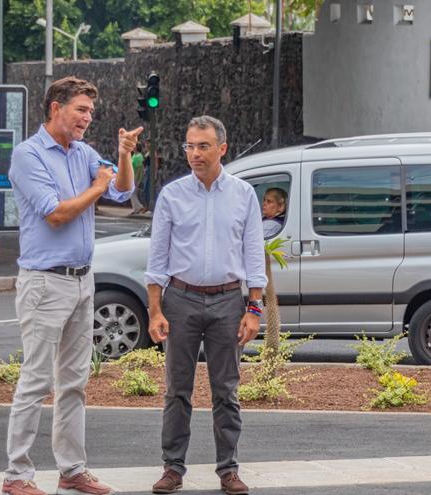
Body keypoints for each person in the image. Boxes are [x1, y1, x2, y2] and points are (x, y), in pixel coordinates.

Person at [3, 76, 141, 495]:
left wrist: (122, 155)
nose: (87, 118)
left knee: (75, 382)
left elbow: (122, 190)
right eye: (80, 110)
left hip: (83, 282)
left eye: (90, 113)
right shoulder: (28, 156)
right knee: (36, 381)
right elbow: (57, 214)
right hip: (45, 283)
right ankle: (17, 476)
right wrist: (97, 185)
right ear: (55, 107)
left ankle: (72, 469)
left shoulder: (82, 153)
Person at [145, 115, 266, 495]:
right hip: (179, 299)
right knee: (176, 390)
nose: (194, 154)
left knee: (226, 390)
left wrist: (254, 309)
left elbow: (253, 255)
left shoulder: (243, 194)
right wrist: (155, 310)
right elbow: (157, 258)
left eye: (202, 146)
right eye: (189, 146)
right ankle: (172, 468)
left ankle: (228, 469)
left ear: (222, 149)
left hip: (229, 301)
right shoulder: (172, 195)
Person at [130, 142, 147, 214]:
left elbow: (140, 169)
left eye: (134, 146)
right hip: (131, 176)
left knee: (132, 193)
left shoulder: (139, 156)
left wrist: (138, 179)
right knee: (132, 193)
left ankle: (139, 207)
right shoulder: (134, 155)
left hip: (135, 177)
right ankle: (135, 209)